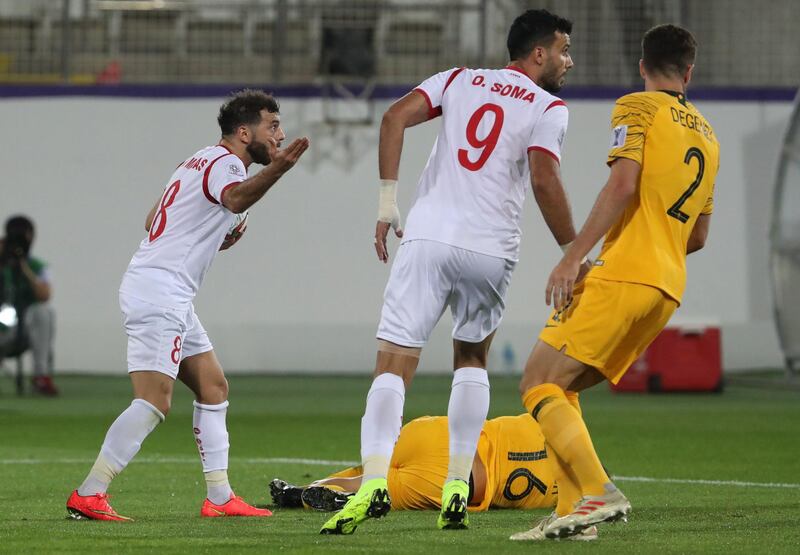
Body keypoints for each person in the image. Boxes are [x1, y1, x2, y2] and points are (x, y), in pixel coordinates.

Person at [321, 9, 585, 535]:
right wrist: (573, 249)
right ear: (538, 54)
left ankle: (374, 482)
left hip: (428, 237)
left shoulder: (458, 80)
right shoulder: (548, 106)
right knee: (471, 359)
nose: (568, 61)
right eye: (563, 49)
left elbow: (394, 117)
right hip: (489, 249)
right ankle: (458, 487)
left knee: (394, 363)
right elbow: (544, 177)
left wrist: (386, 203)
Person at [511, 24, 719, 541]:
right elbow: (698, 237)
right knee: (561, 387)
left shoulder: (637, 107)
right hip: (668, 287)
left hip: (626, 271)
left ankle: (599, 491)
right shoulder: (709, 138)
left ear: (642, 65)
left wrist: (574, 257)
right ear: (689, 72)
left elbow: (622, 184)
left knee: (536, 380)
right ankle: (574, 515)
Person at [66, 89, 310, 521]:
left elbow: (152, 220)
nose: (280, 134)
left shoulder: (196, 160)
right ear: (243, 131)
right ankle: (90, 492)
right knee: (153, 401)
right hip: (159, 290)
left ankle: (219, 497)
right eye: (272, 126)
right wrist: (280, 170)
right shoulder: (228, 164)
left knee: (214, 388)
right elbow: (234, 199)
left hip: (166, 290)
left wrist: (214, 231)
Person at [0, 215, 57, 396]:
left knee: (43, 311)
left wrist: (24, 268)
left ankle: (41, 377)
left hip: (25, 330)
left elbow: (44, 295)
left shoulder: (37, 266)